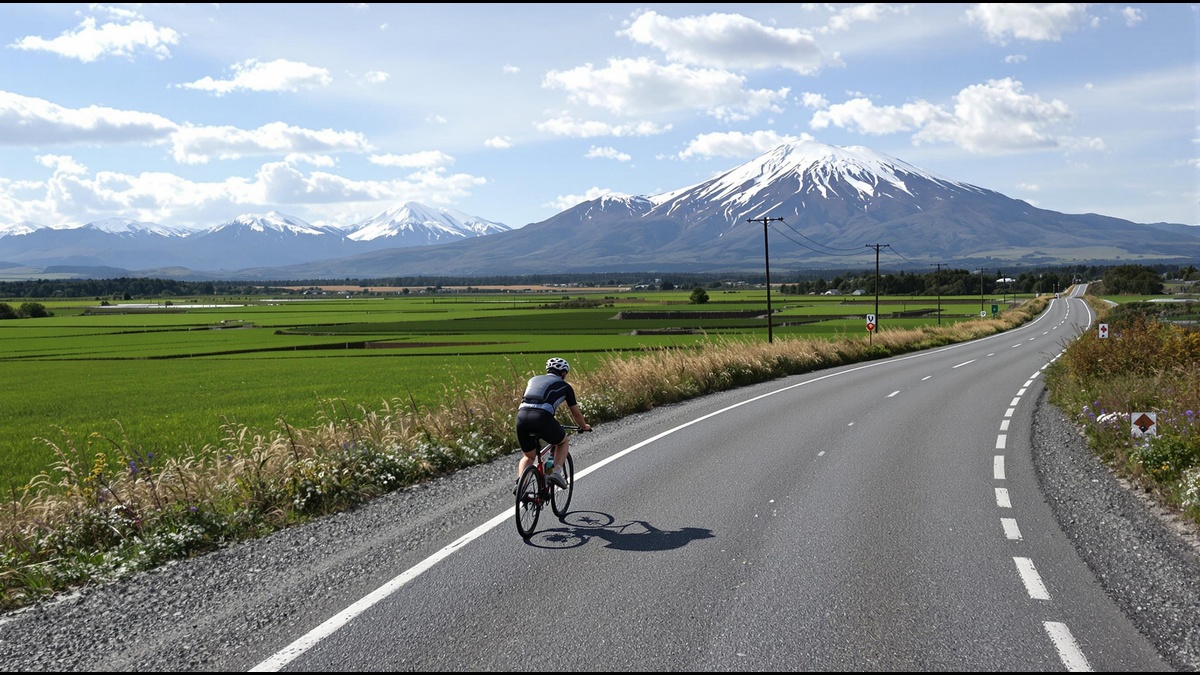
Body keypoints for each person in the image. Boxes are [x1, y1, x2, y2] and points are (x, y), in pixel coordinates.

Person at [515, 357, 591, 490]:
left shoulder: (532, 380)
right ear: (563, 373)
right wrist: (584, 426)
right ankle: (555, 472)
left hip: (521, 417)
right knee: (562, 441)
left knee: (528, 456)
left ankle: (521, 484)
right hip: (542, 417)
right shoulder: (565, 386)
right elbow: (576, 414)